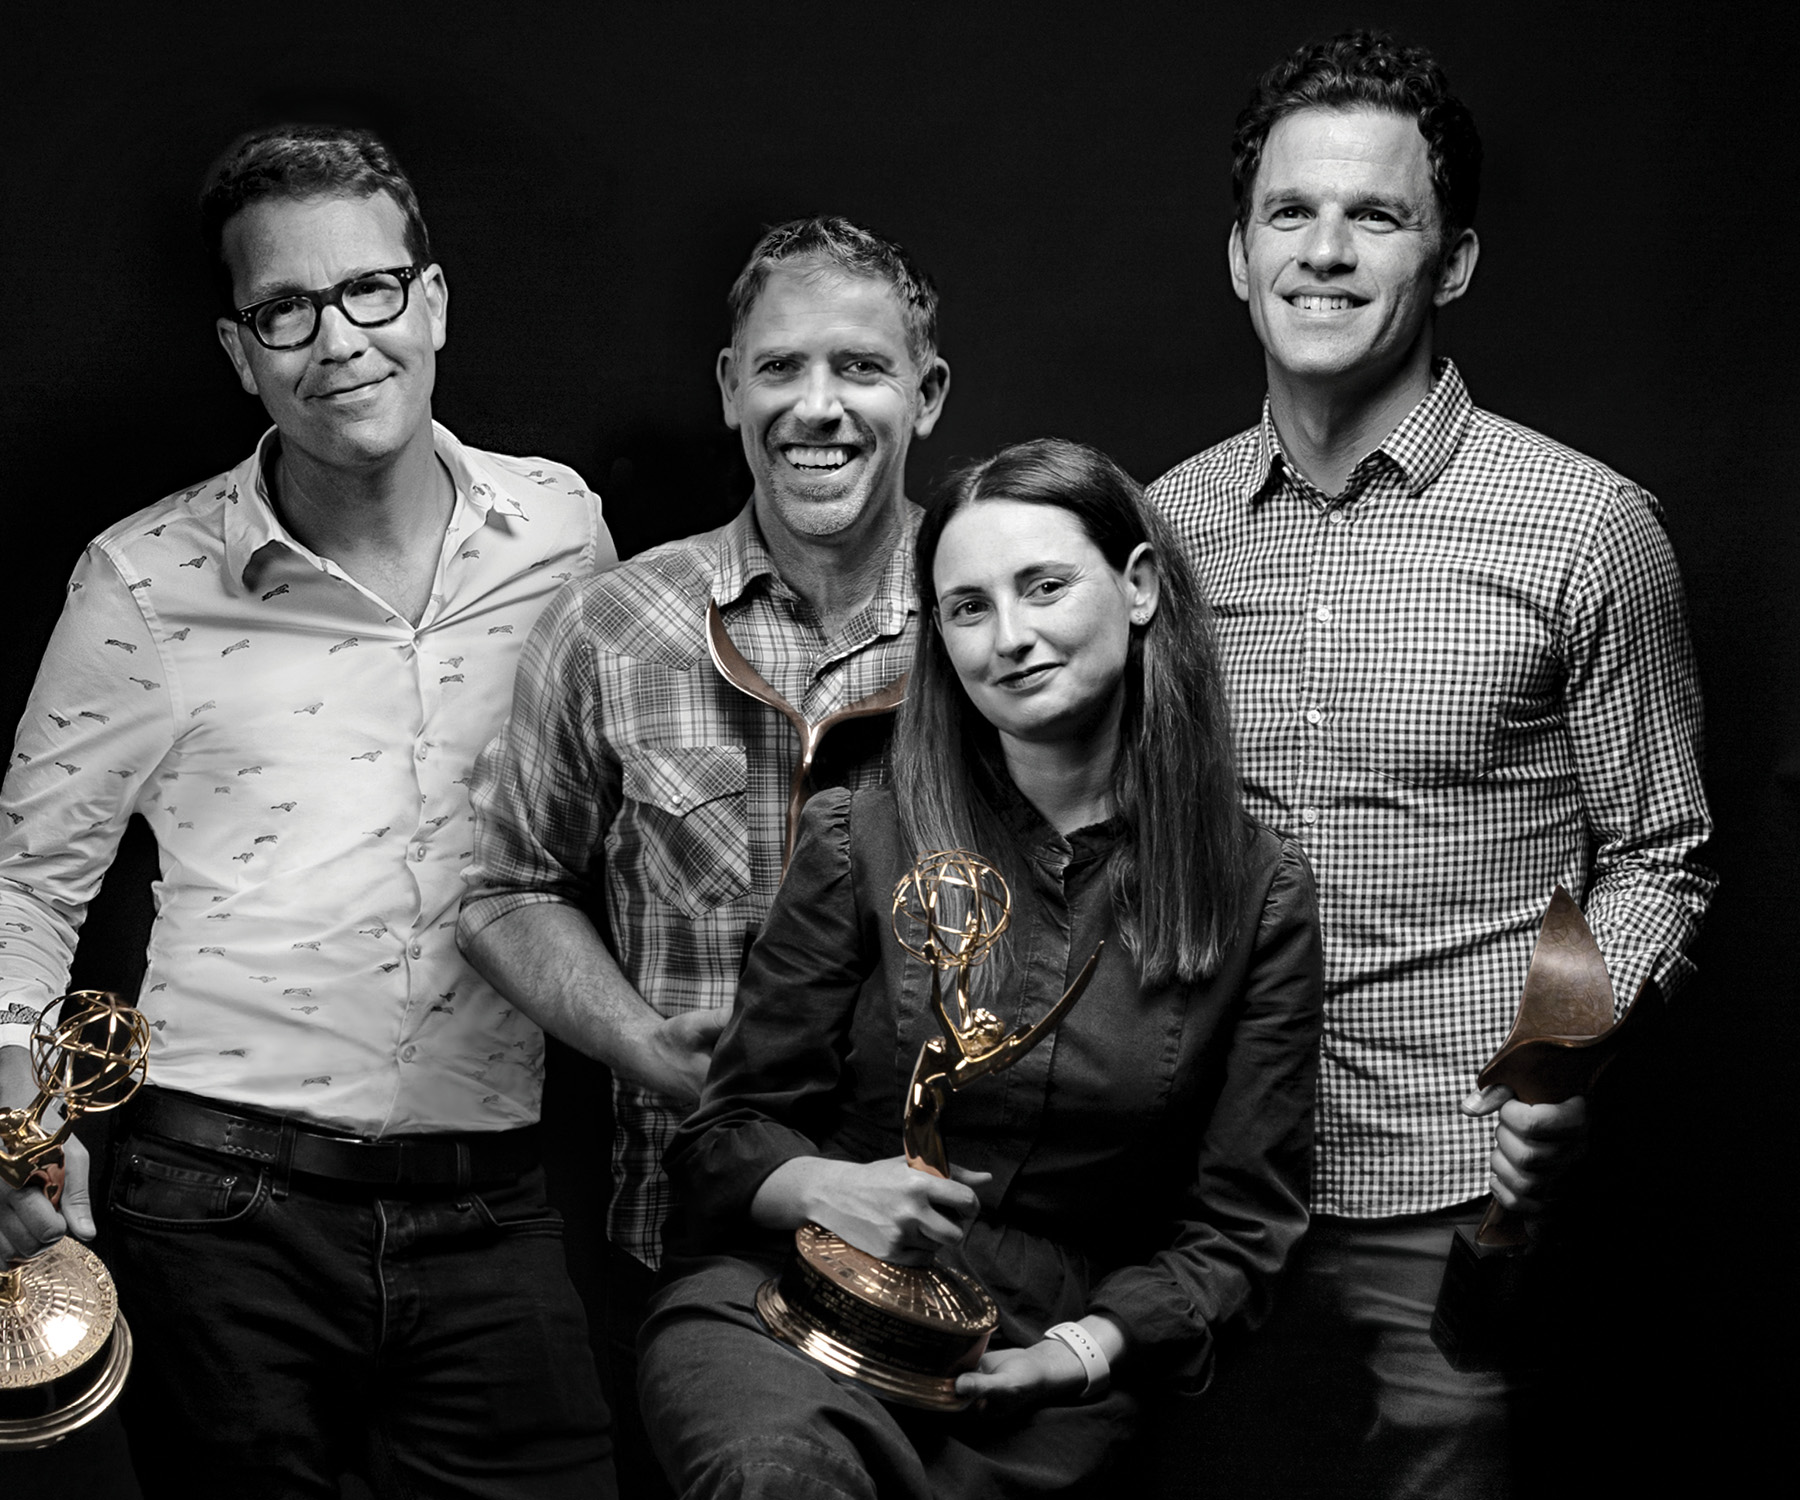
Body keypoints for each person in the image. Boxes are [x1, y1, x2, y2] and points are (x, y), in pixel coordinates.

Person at [0, 125, 616, 1496]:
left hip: (491, 1196)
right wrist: (7, 1097)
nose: (339, 340)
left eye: (369, 289)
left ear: (431, 299)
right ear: (241, 352)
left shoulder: (562, 531)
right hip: (216, 1204)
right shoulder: (140, 578)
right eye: (285, 309)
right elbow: (22, 888)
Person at [1145, 30, 1715, 1497]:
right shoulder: (1161, 535)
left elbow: (1660, 853)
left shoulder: (1587, 529)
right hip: (1196, 1193)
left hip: (1450, 1202)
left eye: (1377, 216)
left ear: (1450, 262)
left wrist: (1554, 1070)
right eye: (1291, 213)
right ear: (1236, 253)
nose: (1325, 254)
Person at [639, 438, 1325, 1498]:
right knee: (778, 1477)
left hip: (1038, 1360)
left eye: (1042, 587)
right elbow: (722, 1137)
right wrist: (823, 1186)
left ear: (1136, 587)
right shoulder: (856, 835)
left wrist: (1086, 1350)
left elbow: (1241, 1224)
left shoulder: (1253, 891)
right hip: (791, 1306)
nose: (1008, 638)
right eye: (966, 608)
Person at [457, 216, 951, 1486]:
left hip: (957, 1252)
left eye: (861, 368)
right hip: (684, 1237)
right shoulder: (610, 626)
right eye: (780, 368)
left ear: (927, 393)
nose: (817, 408)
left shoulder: (997, 616)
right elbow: (504, 889)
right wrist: (642, 1046)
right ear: (730, 389)